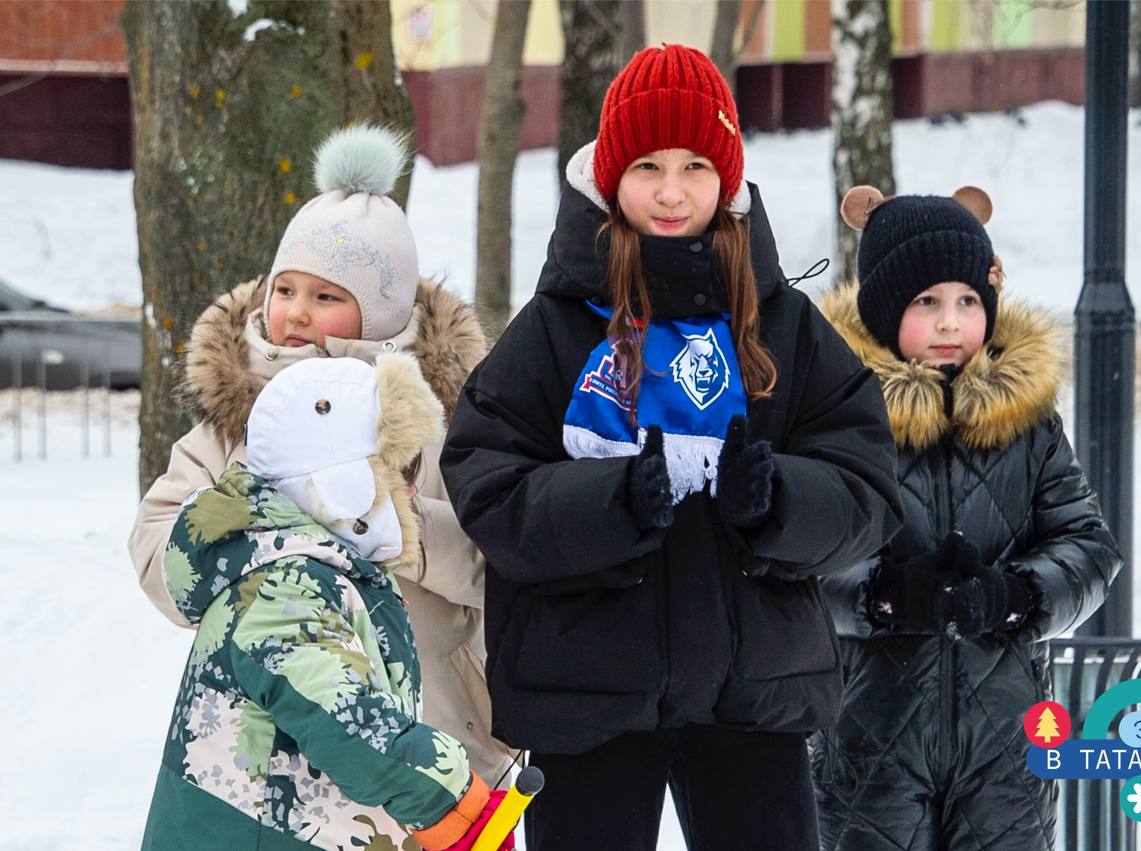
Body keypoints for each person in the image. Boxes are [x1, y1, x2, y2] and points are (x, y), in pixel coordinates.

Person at [438, 44, 903, 851]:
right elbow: (486, 482)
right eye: (647, 165)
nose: (671, 190)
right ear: (610, 174)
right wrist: (609, 502)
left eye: (695, 165)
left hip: (755, 698)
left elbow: (866, 485)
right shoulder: (555, 325)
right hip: (587, 692)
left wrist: (779, 500)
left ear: (727, 176)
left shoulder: (781, 322)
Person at [127, 124, 517, 785]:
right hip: (274, 752)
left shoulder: (447, 413)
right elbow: (154, 545)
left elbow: (503, 556)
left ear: (385, 311)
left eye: (327, 296)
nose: (297, 313)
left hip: (434, 734)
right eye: (286, 290)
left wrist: (408, 531)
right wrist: (232, 526)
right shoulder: (236, 414)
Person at [811, 185, 1124, 851]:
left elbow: (1090, 545)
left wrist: (1018, 594)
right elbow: (801, 558)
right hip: (871, 741)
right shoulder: (841, 418)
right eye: (927, 302)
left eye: (967, 301)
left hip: (1007, 750)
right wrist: (886, 595)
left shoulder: (1026, 422)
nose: (951, 322)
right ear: (883, 309)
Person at [141, 355, 513, 851]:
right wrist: (456, 802)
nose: (407, 494)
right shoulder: (283, 585)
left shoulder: (320, 565)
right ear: (341, 484)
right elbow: (344, 720)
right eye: (394, 474)